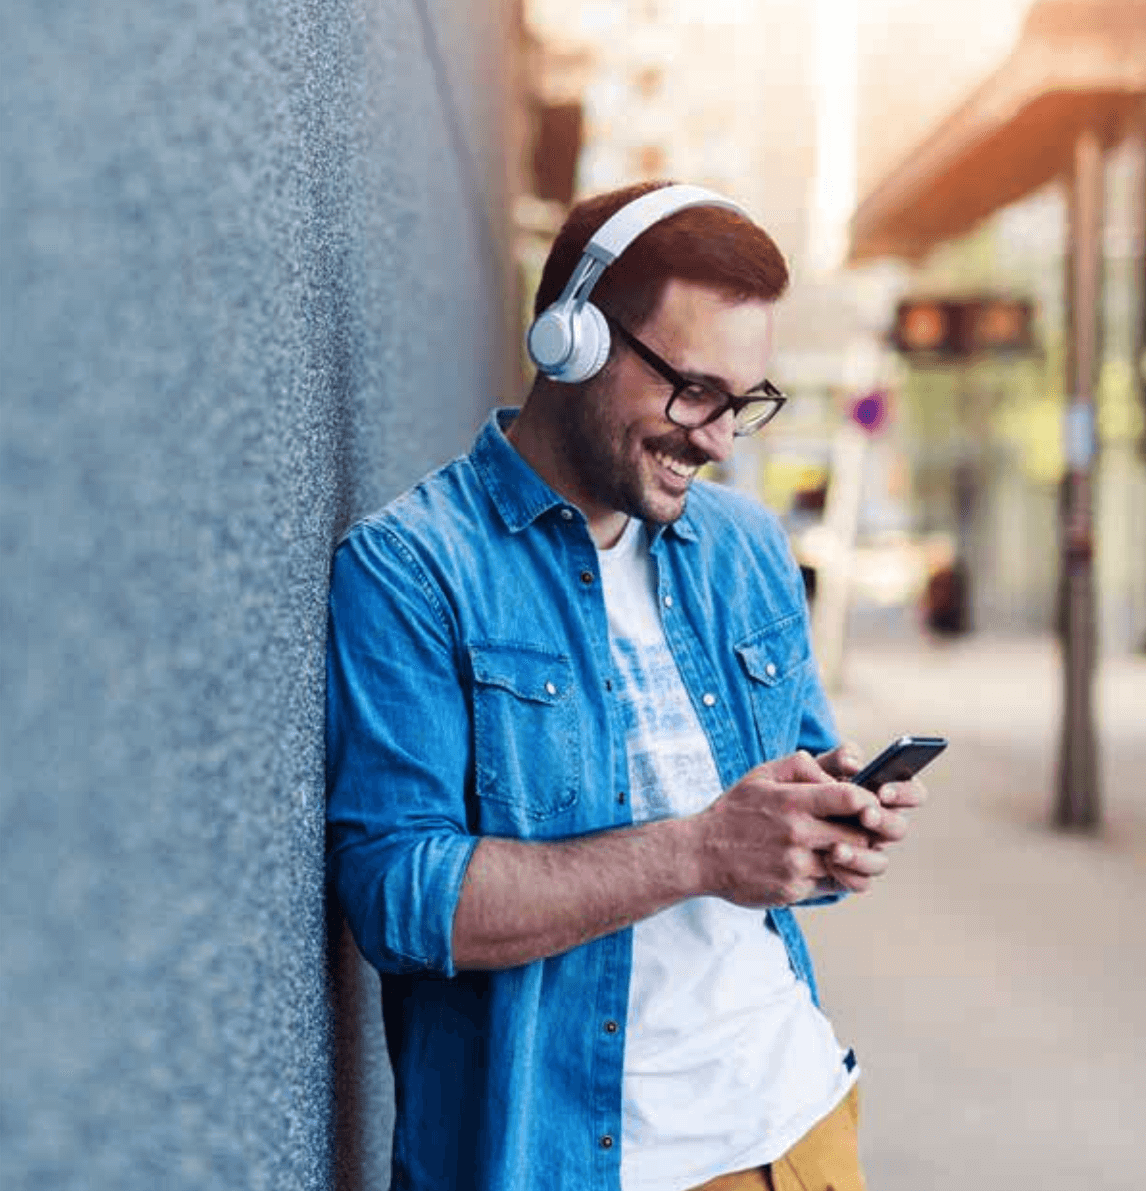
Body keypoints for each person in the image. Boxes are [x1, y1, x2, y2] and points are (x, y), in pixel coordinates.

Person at [325, 181, 927, 1191]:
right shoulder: (413, 569)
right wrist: (700, 850)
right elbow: (399, 898)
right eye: (692, 391)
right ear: (572, 338)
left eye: (743, 405)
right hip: (587, 1164)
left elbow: (773, 812)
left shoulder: (743, 546)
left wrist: (826, 825)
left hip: (803, 1125)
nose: (718, 440)